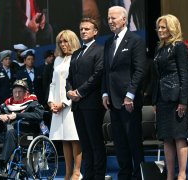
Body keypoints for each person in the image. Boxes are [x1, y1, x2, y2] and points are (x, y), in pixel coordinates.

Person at [102, 6, 147, 180]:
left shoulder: (135, 40)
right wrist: (104, 93)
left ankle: (138, 176)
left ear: (124, 19)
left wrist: (130, 95)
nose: (110, 21)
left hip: (129, 101)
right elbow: (107, 71)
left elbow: (139, 71)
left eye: (113, 18)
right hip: (113, 101)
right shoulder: (108, 42)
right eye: (108, 18)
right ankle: (124, 175)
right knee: (120, 143)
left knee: (133, 141)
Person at [0, 79, 44, 177]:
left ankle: (1, 166)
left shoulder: (33, 103)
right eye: (15, 92)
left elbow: (39, 115)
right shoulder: (7, 104)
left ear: (26, 93)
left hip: (24, 135)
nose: (17, 94)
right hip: (5, 135)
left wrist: (17, 115)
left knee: (11, 132)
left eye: (20, 92)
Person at [66, 18, 106, 180]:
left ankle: (98, 176)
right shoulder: (76, 53)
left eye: (87, 29)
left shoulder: (100, 50)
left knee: (95, 142)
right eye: (81, 29)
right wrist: (69, 92)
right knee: (85, 143)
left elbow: (98, 74)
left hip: (92, 103)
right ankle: (88, 175)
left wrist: (80, 92)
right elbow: (69, 77)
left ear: (95, 31)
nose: (83, 31)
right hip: (77, 105)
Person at [152, 14, 188, 180]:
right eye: (159, 27)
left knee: (179, 136)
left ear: (172, 28)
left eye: (164, 27)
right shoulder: (159, 48)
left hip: (175, 98)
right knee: (166, 138)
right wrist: (154, 100)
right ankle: (169, 175)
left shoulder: (179, 46)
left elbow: (184, 75)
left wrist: (183, 101)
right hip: (162, 98)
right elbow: (157, 76)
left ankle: (181, 174)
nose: (160, 30)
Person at [48, 30, 82, 180]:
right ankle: (68, 173)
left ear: (72, 41)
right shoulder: (57, 60)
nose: (63, 44)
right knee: (64, 139)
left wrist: (64, 103)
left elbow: (77, 84)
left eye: (65, 41)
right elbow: (53, 84)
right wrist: (51, 102)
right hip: (57, 106)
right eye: (60, 42)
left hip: (71, 105)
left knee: (74, 138)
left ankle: (77, 172)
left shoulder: (77, 57)